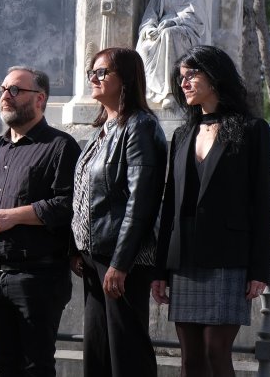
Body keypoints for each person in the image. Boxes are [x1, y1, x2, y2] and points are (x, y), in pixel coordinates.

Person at [151, 45, 270, 377]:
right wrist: (160, 270)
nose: (184, 83)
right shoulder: (181, 135)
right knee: (190, 358)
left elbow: (262, 204)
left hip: (229, 258)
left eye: (191, 75)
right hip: (185, 258)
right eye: (181, 77)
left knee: (215, 351)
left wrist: (259, 269)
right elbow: (170, 204)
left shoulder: (253, 130)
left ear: (215, 76)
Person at [0, 66, 80, 377]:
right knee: (5, 365)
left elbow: (67, 205)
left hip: (37, 278)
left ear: (40, 98)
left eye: (15, 90)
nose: (5, 96)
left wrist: (13, 216)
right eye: (2, 90)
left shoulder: (60, 146)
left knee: (35, 367)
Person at [70, 47, 166, 377]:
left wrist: (120, 263)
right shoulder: (102, 130)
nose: (93, 79)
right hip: (95, 256)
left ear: (125, 79)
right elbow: (86, 195)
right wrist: (78, 249)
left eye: (102, 73)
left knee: (127, 354)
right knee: (98, 352)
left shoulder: (139, 126)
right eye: (91, 73)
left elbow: (141, 201)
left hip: (122, 260)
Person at [136, 0, 205, 108]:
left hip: (186, 31)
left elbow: (195, 16)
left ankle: (170, 92)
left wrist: (174, 21)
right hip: (160, 31)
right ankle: (147, 92)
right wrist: (149, 28)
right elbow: (150, 14)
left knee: (169, 34)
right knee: (144, 47)